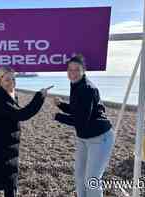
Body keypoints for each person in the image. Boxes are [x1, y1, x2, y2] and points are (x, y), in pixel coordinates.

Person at [0, 66, 50, 197]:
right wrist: (40, 96)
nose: (12, 82)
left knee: (8, 182)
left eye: (13, 79)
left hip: (4, 146)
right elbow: (22, 114)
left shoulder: (9, 92)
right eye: (7, 80)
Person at [53, 54, 115, 197]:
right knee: (79, 176)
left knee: (91, 179)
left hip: (100, 137)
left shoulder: (87, 88)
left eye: (77, 70)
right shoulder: (76, 85)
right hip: (83, 137)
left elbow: (81, 120)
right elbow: (78, 111)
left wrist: (58, 116)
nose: (73, 73)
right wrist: (61, 105)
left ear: (84, 70)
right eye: (70, 70)